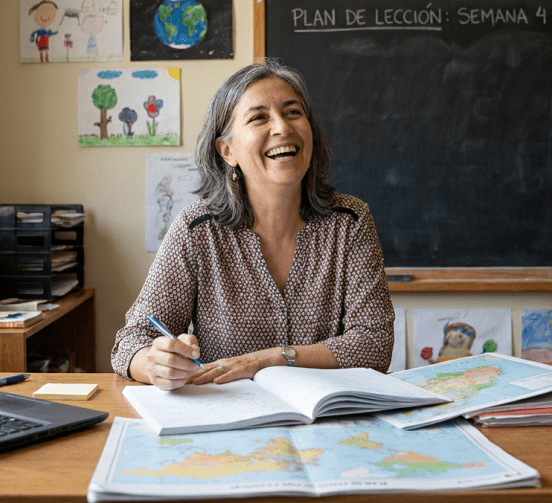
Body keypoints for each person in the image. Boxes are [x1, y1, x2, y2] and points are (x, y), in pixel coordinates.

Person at [111, 59, 395, 390]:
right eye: (259, 117)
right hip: (228, 423)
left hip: (324, 423)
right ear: (227, 150)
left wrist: (271, 359)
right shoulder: (197, 229)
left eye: (293, 113)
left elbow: (374, 345)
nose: (283, 128)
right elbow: (130, 343)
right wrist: (155, 365)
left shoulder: (350, 221)